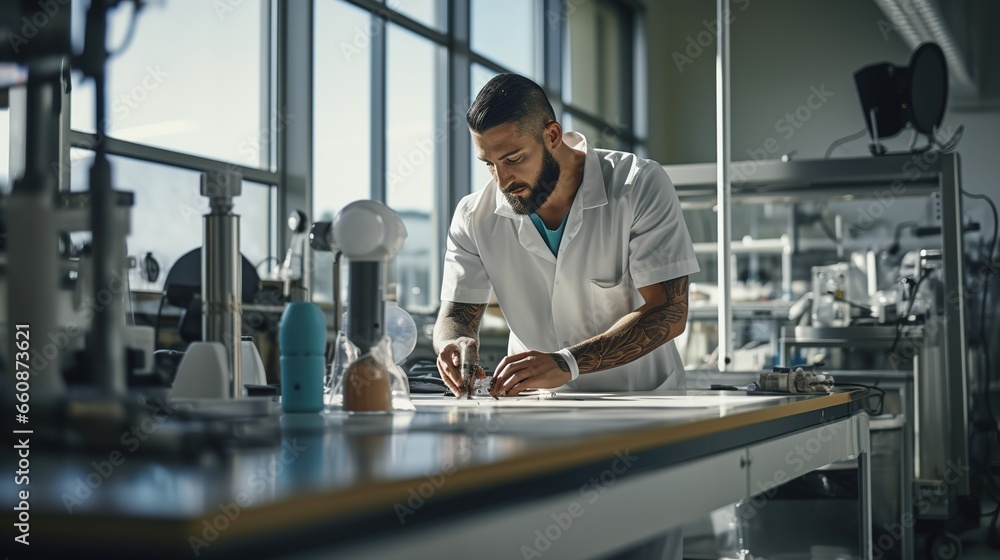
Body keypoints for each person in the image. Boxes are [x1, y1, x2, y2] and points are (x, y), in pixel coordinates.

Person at [433, 73, 699, 399]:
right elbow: (456, 315)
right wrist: (453, 343)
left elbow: (669, 311)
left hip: (642, 403)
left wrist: (567, 363)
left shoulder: (639, 185)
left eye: (514, 159)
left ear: (552, 135)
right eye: (489, 163)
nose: (502, 180)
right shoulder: (474, 216)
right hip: (535, 409)